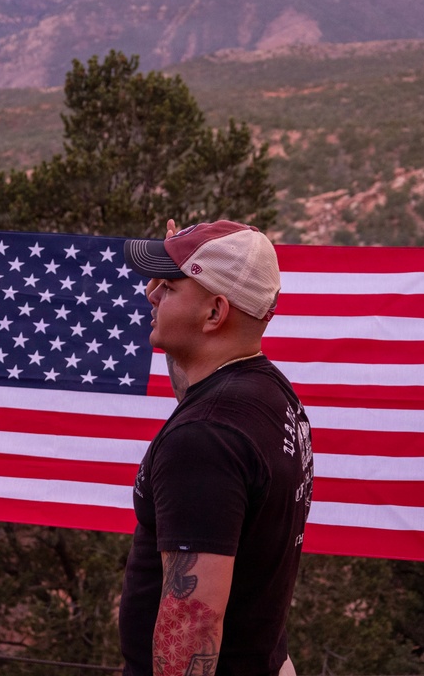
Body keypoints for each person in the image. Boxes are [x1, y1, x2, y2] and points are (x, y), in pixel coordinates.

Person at [117, 220, 313, 676]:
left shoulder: (203, 439)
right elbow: (196, 389)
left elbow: (192, 620)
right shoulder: (267, 393)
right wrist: (180, 270)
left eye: (166, 286)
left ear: (214, 314)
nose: (150, 294)